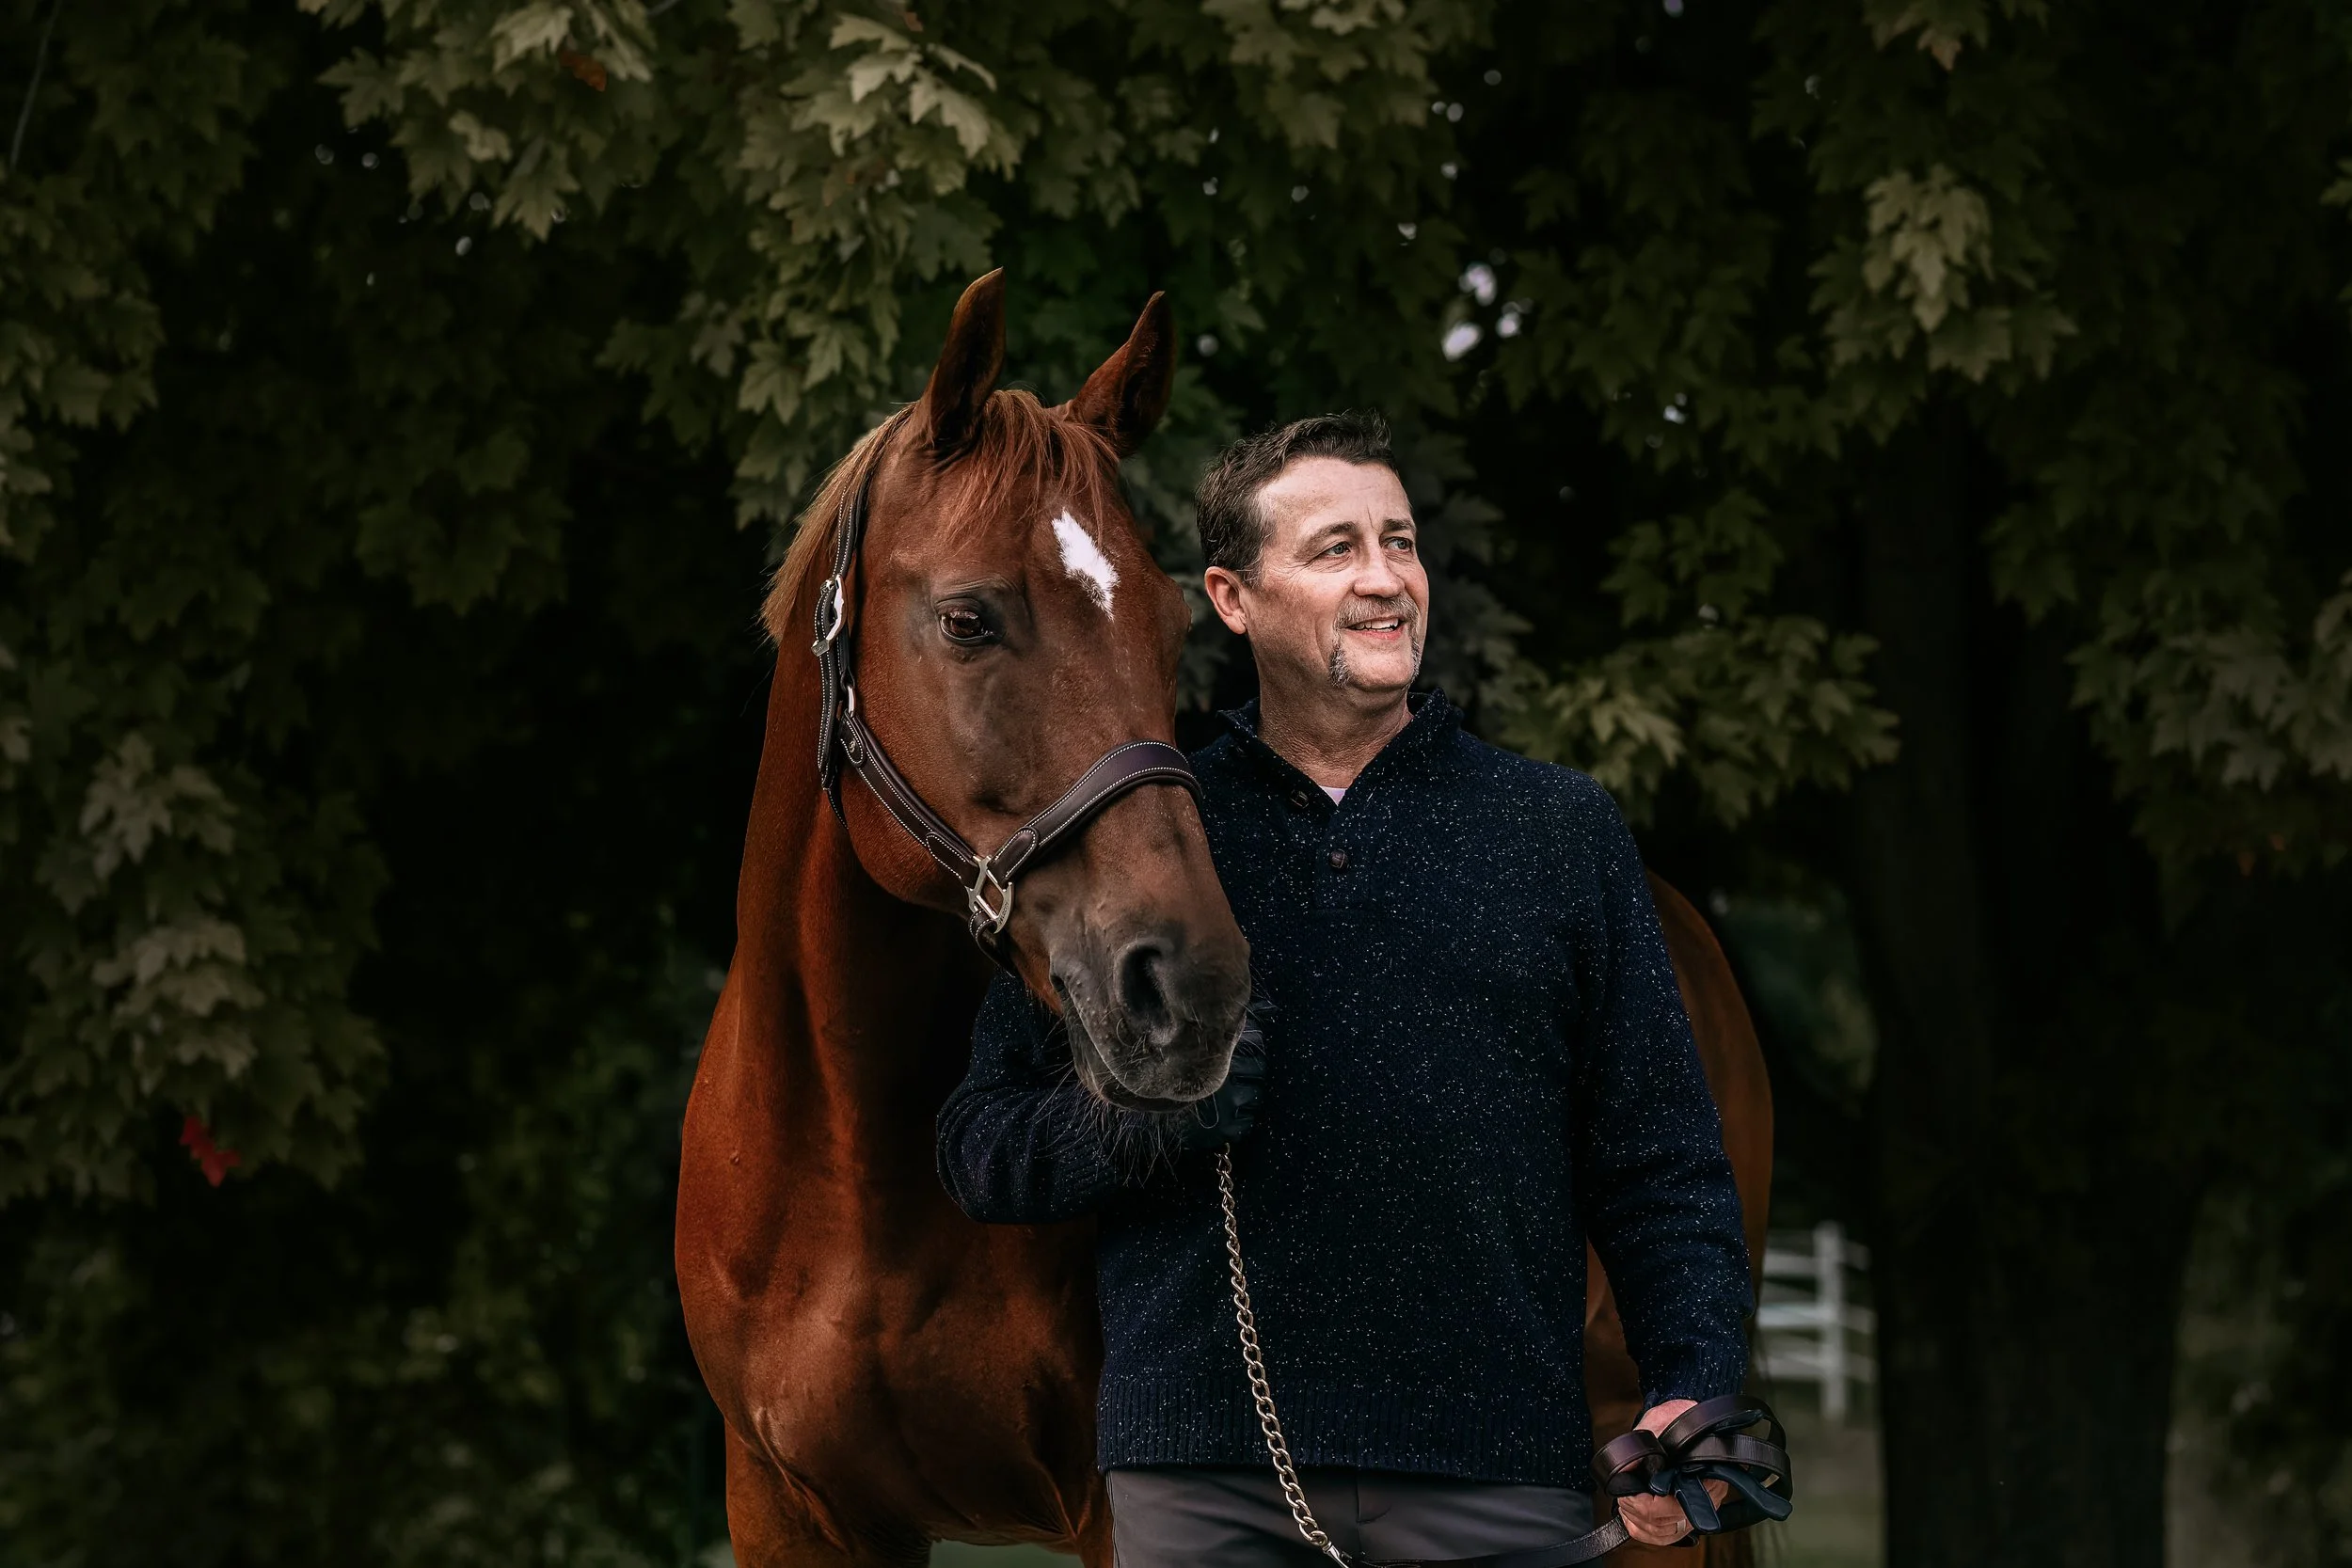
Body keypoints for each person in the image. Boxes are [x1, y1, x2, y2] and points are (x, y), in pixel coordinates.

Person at [935, 412, 1751, 1565]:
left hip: (1497, 1477)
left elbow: (1662, 1159)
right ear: (1231, 596)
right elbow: (979, 1145)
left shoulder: (1559, 831)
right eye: (1334, 549)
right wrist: (1136, 1122)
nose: (1385, 581)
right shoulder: (1149, 841)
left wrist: (1691, 1385)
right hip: (1206, 1480)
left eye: (1400, 541)